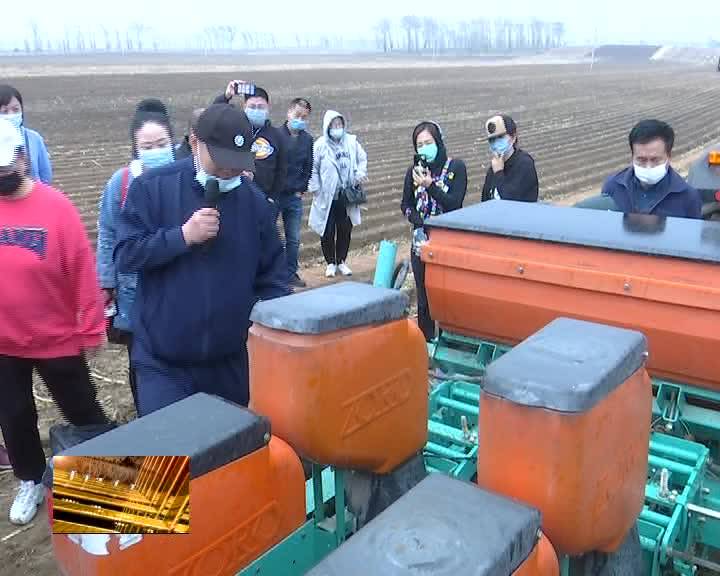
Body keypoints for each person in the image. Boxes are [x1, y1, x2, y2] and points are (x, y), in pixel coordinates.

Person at [115, 104, 289, 416]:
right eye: (221, 162)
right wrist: (181, 236)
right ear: (196, 143)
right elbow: (127, 255)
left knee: (224, 457)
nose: (229, 171)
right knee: (170, 459)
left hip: (229, 364)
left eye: (237, 164)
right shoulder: (152, 188)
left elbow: (273, 278)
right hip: (164, 364)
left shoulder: (254, 203)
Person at [0, 118, 109, 525]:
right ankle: (30, 479)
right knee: (13, 415)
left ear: (22, 159)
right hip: (3, 341)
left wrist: (92, 327)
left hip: (56, 338)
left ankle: (103, 477)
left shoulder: (55, 208)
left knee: (82, 410)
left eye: (4, 169)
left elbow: (82, 270)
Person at [96, 99, 176, 414]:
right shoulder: (122, 182)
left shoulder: (183, 177)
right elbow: (107, 232)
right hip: (134, 292)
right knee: (140, 359)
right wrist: (106, 282)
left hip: (176, 285)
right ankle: (146, 414)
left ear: (173, 142)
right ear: (135, 147)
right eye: (147, 145)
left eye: (162, 143)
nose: (155, 149)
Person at [401, 121, 467, 342]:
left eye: (428, 142)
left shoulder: (455, 168)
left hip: (447, 241)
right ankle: (425, 342)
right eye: (419, 144)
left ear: (438, 141)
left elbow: (454, 204)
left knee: (447, 294)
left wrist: (430, 185)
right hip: (421, 241)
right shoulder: (414, 171)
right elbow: (406, 204)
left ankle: (450, 340)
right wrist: (417, 220)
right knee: (424, 295)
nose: (424, 148)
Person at [601, 119, 702, 219]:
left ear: (669, 156)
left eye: (655, 159)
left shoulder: (688, 196)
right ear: (632, 156)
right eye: (641, 159)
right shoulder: (613, 187)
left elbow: (689, 233)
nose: (648, 166)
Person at [309, 110, 368, 278]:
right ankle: (330, 263)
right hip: (326, 196)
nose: (337, 128)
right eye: (334, 125)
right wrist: (316, 188)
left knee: (344, 229)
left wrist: (359, 175)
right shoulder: (320, 145)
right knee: (327, 231)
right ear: (327, 127)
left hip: (346, 195)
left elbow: (362, 158)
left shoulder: (351, 142)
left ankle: (341, 261)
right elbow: (313, 167)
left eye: (340, 125)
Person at [214, 82, 287, 203]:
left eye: (260, 107)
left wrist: (273, 199)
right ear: (244, 107)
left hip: (263, 199)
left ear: (268, 107)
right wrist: (226, 96)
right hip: (234, 196)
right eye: (252, 107)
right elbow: (213, 117)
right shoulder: (234, 129)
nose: (256, 110)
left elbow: (282, 171)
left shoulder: (277, 136)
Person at [279, 98, 314, 288]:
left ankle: (290, 273)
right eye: (297, 115)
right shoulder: (276, 135)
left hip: (294, 197)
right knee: (270, 235)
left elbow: (308, 167)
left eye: (304, 117)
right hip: (275, 195)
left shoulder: (307, 140)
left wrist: (302, 188)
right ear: (289, 113)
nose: (300, 119)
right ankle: (271, 274)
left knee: (293, 238)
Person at [0, 85, 52, 184]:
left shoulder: (33, 138)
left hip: (33, 195)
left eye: (15, 110)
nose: (11, 115)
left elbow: (45, 174)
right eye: (5, 111)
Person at [481, 114, 538, 203]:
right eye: (492, 140)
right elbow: (485, 202)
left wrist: (499, 173)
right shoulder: (492, 169)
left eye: (500, 137)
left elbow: (510, 200)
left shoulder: (524, 164)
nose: (496, 143)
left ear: (513, 137)